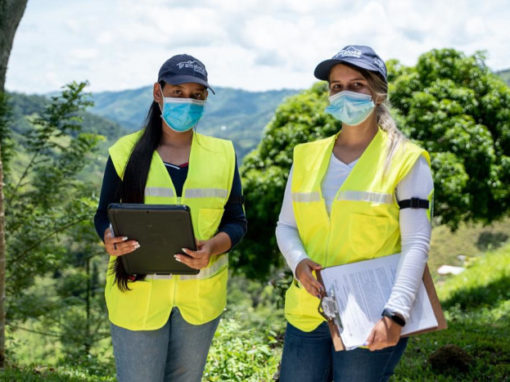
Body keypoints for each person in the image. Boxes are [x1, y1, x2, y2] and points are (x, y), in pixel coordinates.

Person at [275, 45, 433, 381]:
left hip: (371, 311)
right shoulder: (306, 155)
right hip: (310, 310)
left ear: (378, 93)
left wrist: (396, 314)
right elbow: (286, 225)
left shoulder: (407, 159)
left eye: (357, 85)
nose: (345, 93)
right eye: (337, 86)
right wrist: (299, 262)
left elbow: (416, 243)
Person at [94, 54, 247, 382]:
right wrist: (108, 237)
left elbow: (237, 220)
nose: (187, 101)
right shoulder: (124, 153)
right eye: (178, 92)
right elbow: (102, 214)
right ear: (157, 92)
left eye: (197, 95)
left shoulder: (223, 154)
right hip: (137, 297)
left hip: (199, 300)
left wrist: (214, 247)